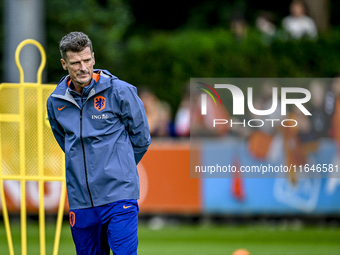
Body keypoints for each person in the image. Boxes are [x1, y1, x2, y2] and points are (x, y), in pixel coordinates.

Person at [47, 31, 151, 255]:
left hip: (119, 194)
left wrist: (119, 168)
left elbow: (142, 138)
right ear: (64, 64)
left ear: (93, 58)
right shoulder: (55, 101)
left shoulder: (121, 91)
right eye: (75, 63)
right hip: (81, 200)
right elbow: (65, 141)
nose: (83, 67)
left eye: (86, 60)